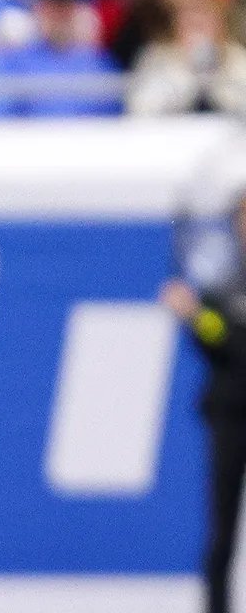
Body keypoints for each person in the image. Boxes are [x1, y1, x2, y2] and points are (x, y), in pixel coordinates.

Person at [162, 192, 246, 613]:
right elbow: (217, 342)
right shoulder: (221, 283)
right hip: (230, 420)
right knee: (221, 534)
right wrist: (193, 315)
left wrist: (206, 321)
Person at [0, 0, 121, 118]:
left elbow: (113, 116)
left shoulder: (99, 63)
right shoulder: (11, 62)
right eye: (53, 11)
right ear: (39, 11)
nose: (59, 19)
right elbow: (1, 114)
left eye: (65, 11)